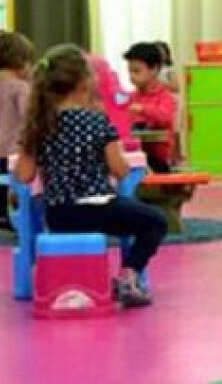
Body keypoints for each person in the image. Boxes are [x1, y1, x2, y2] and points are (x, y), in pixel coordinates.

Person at [14, 45, 168, 308]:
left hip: (58, 214)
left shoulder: (40, 124)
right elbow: (120, 169)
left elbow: (24, 174)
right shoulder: (97, 122)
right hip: (99, 210)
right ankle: (129, 275)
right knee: (155, 222)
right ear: (84, 84)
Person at [0, 31, 36, 234]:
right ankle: (25, 216)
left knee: (3, 182)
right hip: (18, 146)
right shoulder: (21, 87)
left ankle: (1, 218)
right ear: (21, 62)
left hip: (1, 146)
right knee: (22, 184)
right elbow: (28, 115)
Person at [124, 42, 178, 173]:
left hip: (158, 159)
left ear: (154, 69)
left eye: (136, 71)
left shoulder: (164, 96)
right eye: (130, 71)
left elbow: (165, 116)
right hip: (134, 157)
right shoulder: (130, 97)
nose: (131, 76)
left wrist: (143, 109)